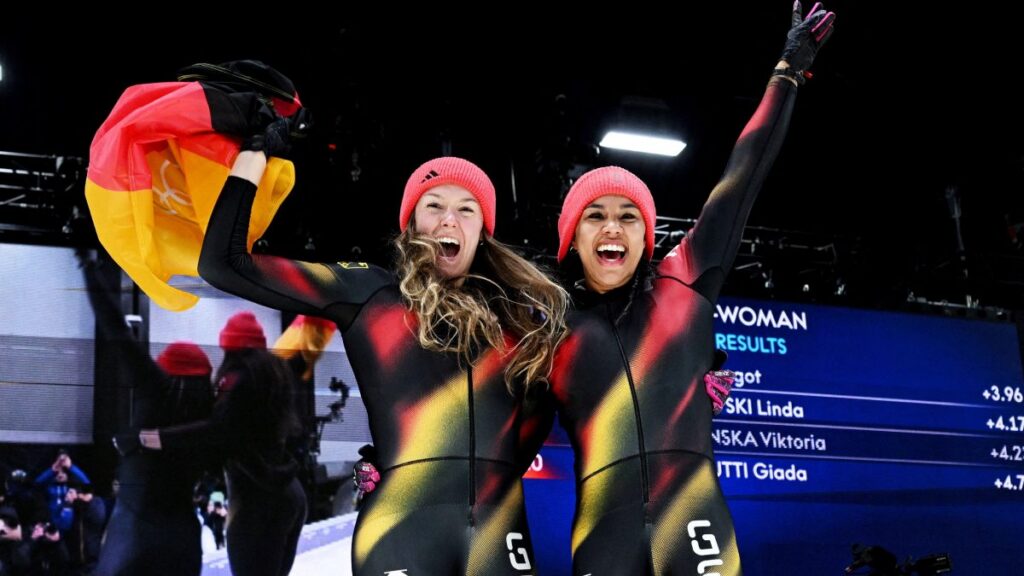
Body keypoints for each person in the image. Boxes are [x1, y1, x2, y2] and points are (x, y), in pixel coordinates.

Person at [548, 3, 835, 574]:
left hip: (695, 519)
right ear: (571, 241)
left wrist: (787, 73)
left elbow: (743, 175)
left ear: (648, 236)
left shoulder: (686, 275)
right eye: (595, 216)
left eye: (629, 217)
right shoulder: (548, 326)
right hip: (603, 535)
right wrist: (401, 469)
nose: (612, 227)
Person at [197, 139, 568, 572]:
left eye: (467, 208)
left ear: (483, 230)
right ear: (410, 223)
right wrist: (254, 153)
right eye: (434, 205)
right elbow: (222, 263)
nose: (450, 218)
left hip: (498, 533)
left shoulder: (521, 321)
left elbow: (532, 423)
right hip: (401, 533)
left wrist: (472, 468)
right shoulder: (369, 293)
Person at [130, 312, 307, 576]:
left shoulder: (237, 377)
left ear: (228, 347)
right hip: (290, 494)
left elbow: (216, 430)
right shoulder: (274, 373)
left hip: (256, 503)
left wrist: (152, 438)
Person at [80, 252, 215, 576]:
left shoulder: (156, 387)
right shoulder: (211, 414)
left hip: (135, 530)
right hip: (181, 535)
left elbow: (116, 329)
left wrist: (88, 265)